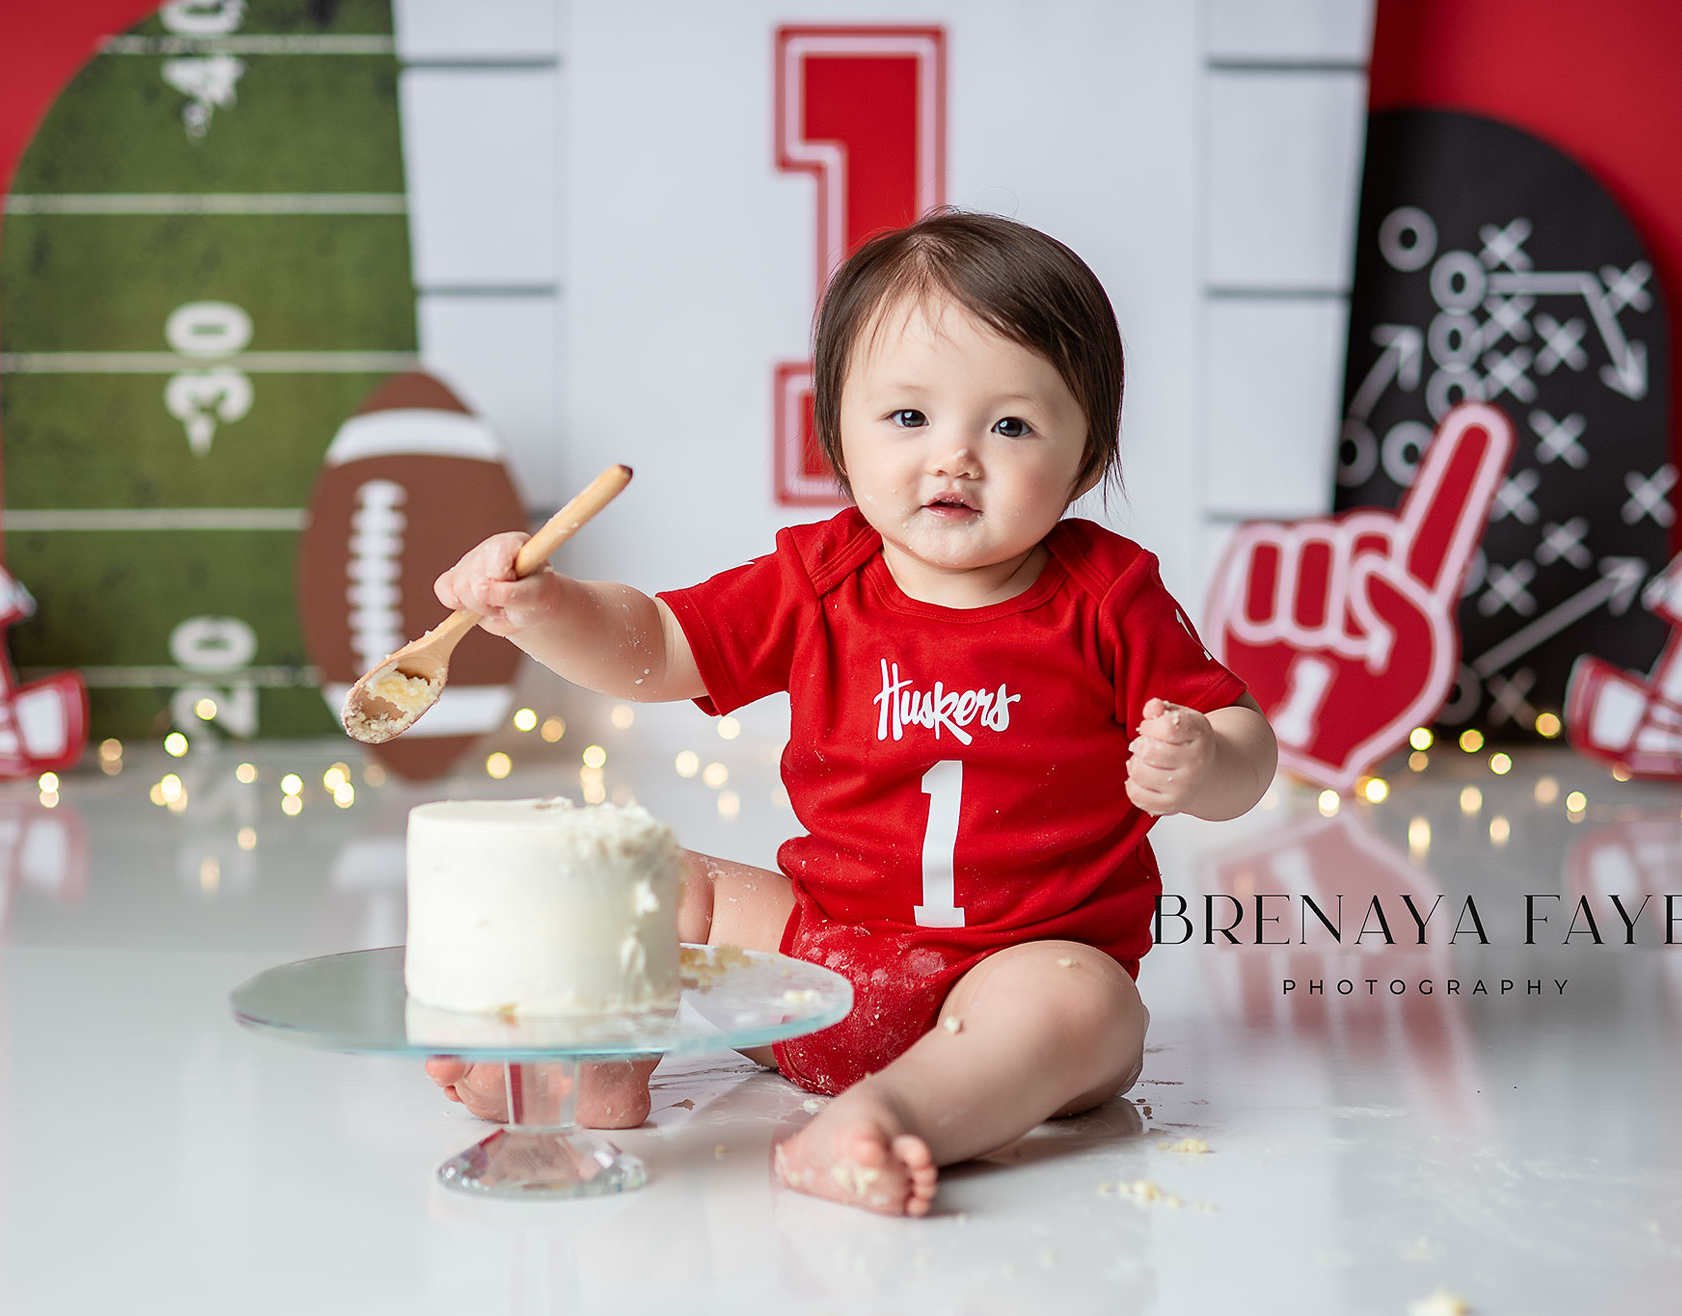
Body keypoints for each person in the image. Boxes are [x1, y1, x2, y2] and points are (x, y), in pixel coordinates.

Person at [424, 209, 1278, 1216]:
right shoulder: (817, 578)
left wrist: (1205, 761)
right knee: (660, 880)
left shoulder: (1108, 595)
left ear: (1085, 454)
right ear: (837, 431)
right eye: (908, 418)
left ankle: (889, 1117)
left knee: (1091, 1004)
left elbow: (1247, 741)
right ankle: (597, 1066)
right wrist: (548, 610)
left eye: (1009, 425)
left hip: (1011, 981)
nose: (954, 457)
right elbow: (657, 647)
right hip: (819, 962)